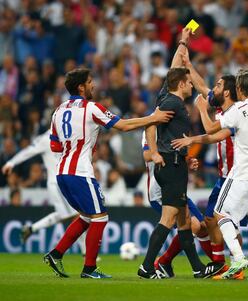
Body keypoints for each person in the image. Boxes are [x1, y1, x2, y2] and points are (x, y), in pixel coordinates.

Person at [44, 67, 173, 279]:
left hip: (62, 172)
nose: (93, 84)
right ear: (81, 87)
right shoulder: (91, 108)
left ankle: (56, 254)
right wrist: (153, 118)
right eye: (90, 81)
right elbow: (123, 125)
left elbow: (55, 147)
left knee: (87, 216)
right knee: (100, 217)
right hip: (80, 172)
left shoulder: (57, 111)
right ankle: (89, 269)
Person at [172, 78, 248, 280]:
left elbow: (211, 129)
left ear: (239, 88)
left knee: (220, 214)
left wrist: (202, 108)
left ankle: (237, 258)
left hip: (243, 174)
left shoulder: (238, 110)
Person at [138, 28, 224, 279]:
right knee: (170, 220)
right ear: (180, 84)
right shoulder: (171, 103)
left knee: (185, 223)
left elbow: (176, 64)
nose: (190, 84)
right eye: (188, 81)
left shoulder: (168, 96)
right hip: (169, 170)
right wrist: (154, 153)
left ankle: (197, 269)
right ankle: (147, 266)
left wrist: (184, 40)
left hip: (176, 165)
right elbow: (150, 124)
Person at [141, 135, 215, 278]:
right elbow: (147, 155)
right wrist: (171, 153)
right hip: (160, 192)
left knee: (202, 226)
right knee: (193, 225)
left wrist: (185, 161)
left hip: (177, 187)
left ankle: (216, 267)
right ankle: (162, 262)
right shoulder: (154, 126)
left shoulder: (174, 125)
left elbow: (173, 158)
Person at [2, 131, 85, 254]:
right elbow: (28, 151)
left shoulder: (68, 134)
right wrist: (11, 162)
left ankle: (31, 229)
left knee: (64, 215)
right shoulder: (46, 138)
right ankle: (86, 252)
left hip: (68, 181)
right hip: (57, 183)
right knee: (77, 216)